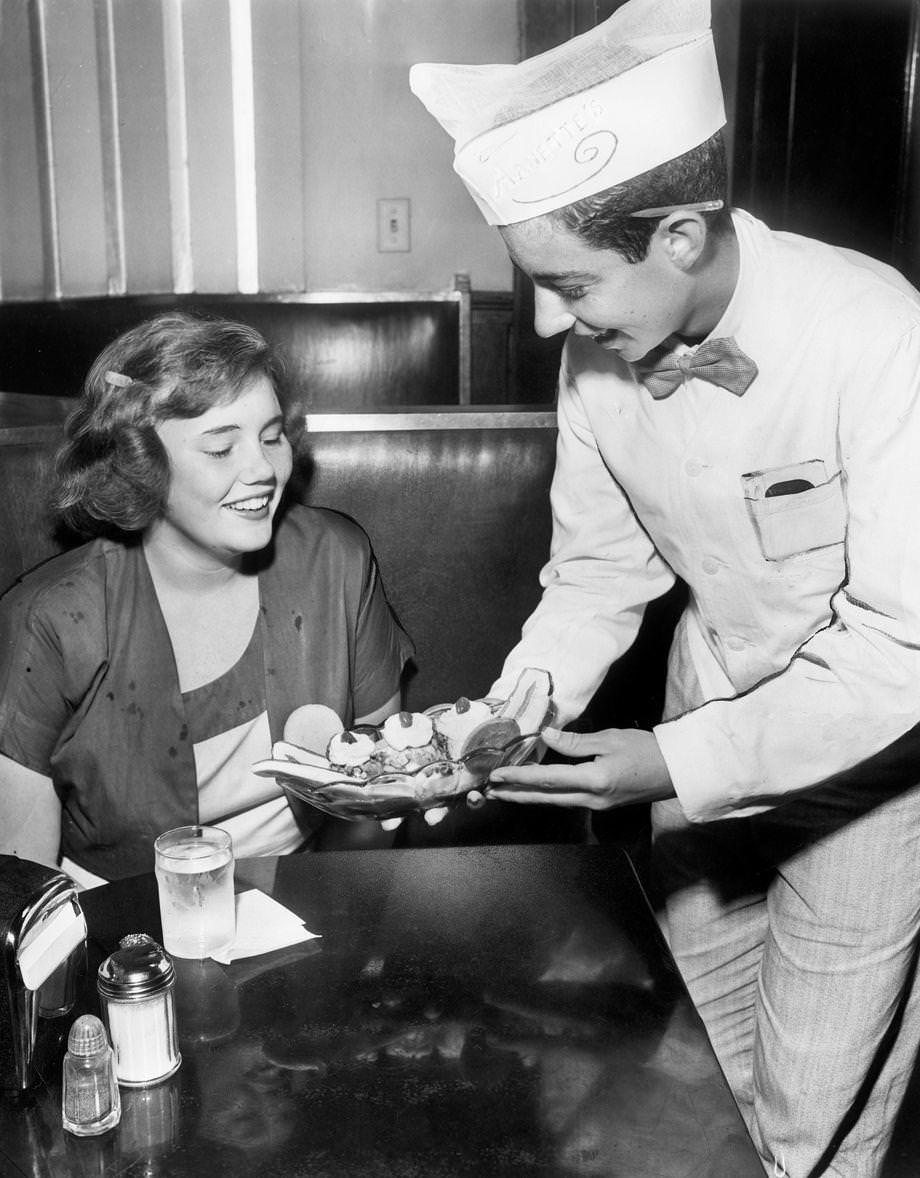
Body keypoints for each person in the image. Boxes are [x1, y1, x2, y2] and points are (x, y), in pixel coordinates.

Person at [410, 1, 920, 1174]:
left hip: (874, 777)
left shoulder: (880, 339)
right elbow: (595, 573)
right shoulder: (599, 362)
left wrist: (667, 765)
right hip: (692, 722)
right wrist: (516, 705)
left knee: (810, 1110)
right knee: (682, 1061)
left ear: (680, 234)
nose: (550, 319)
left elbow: (902, 651)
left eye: (569, 284)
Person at [0, 311, 413, 887]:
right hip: (116, 916)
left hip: (307, 894)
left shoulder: (334, 558)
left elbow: (376, 791)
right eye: (220, 449)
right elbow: (24, 882)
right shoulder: (51, 618)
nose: (262, 469)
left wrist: (335, 921)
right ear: (138, 464)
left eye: (271, 437)